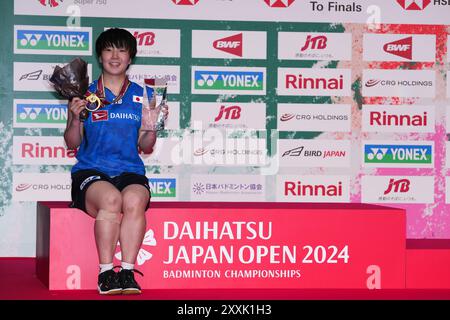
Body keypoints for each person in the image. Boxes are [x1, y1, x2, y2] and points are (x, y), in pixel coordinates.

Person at [64, 28, 167, 295]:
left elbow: (145, 145)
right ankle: (106, 273)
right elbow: (73, 143)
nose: (115, 56)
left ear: (130, 57)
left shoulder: (145, 96)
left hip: (130, 170)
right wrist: (75, 118)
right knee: (111, 200)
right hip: (91, 171)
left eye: (122, 50)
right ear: (100, 56)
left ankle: (128, 272)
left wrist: (152, 126)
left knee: (134, 200)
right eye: (109, 49)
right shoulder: (84, 94)